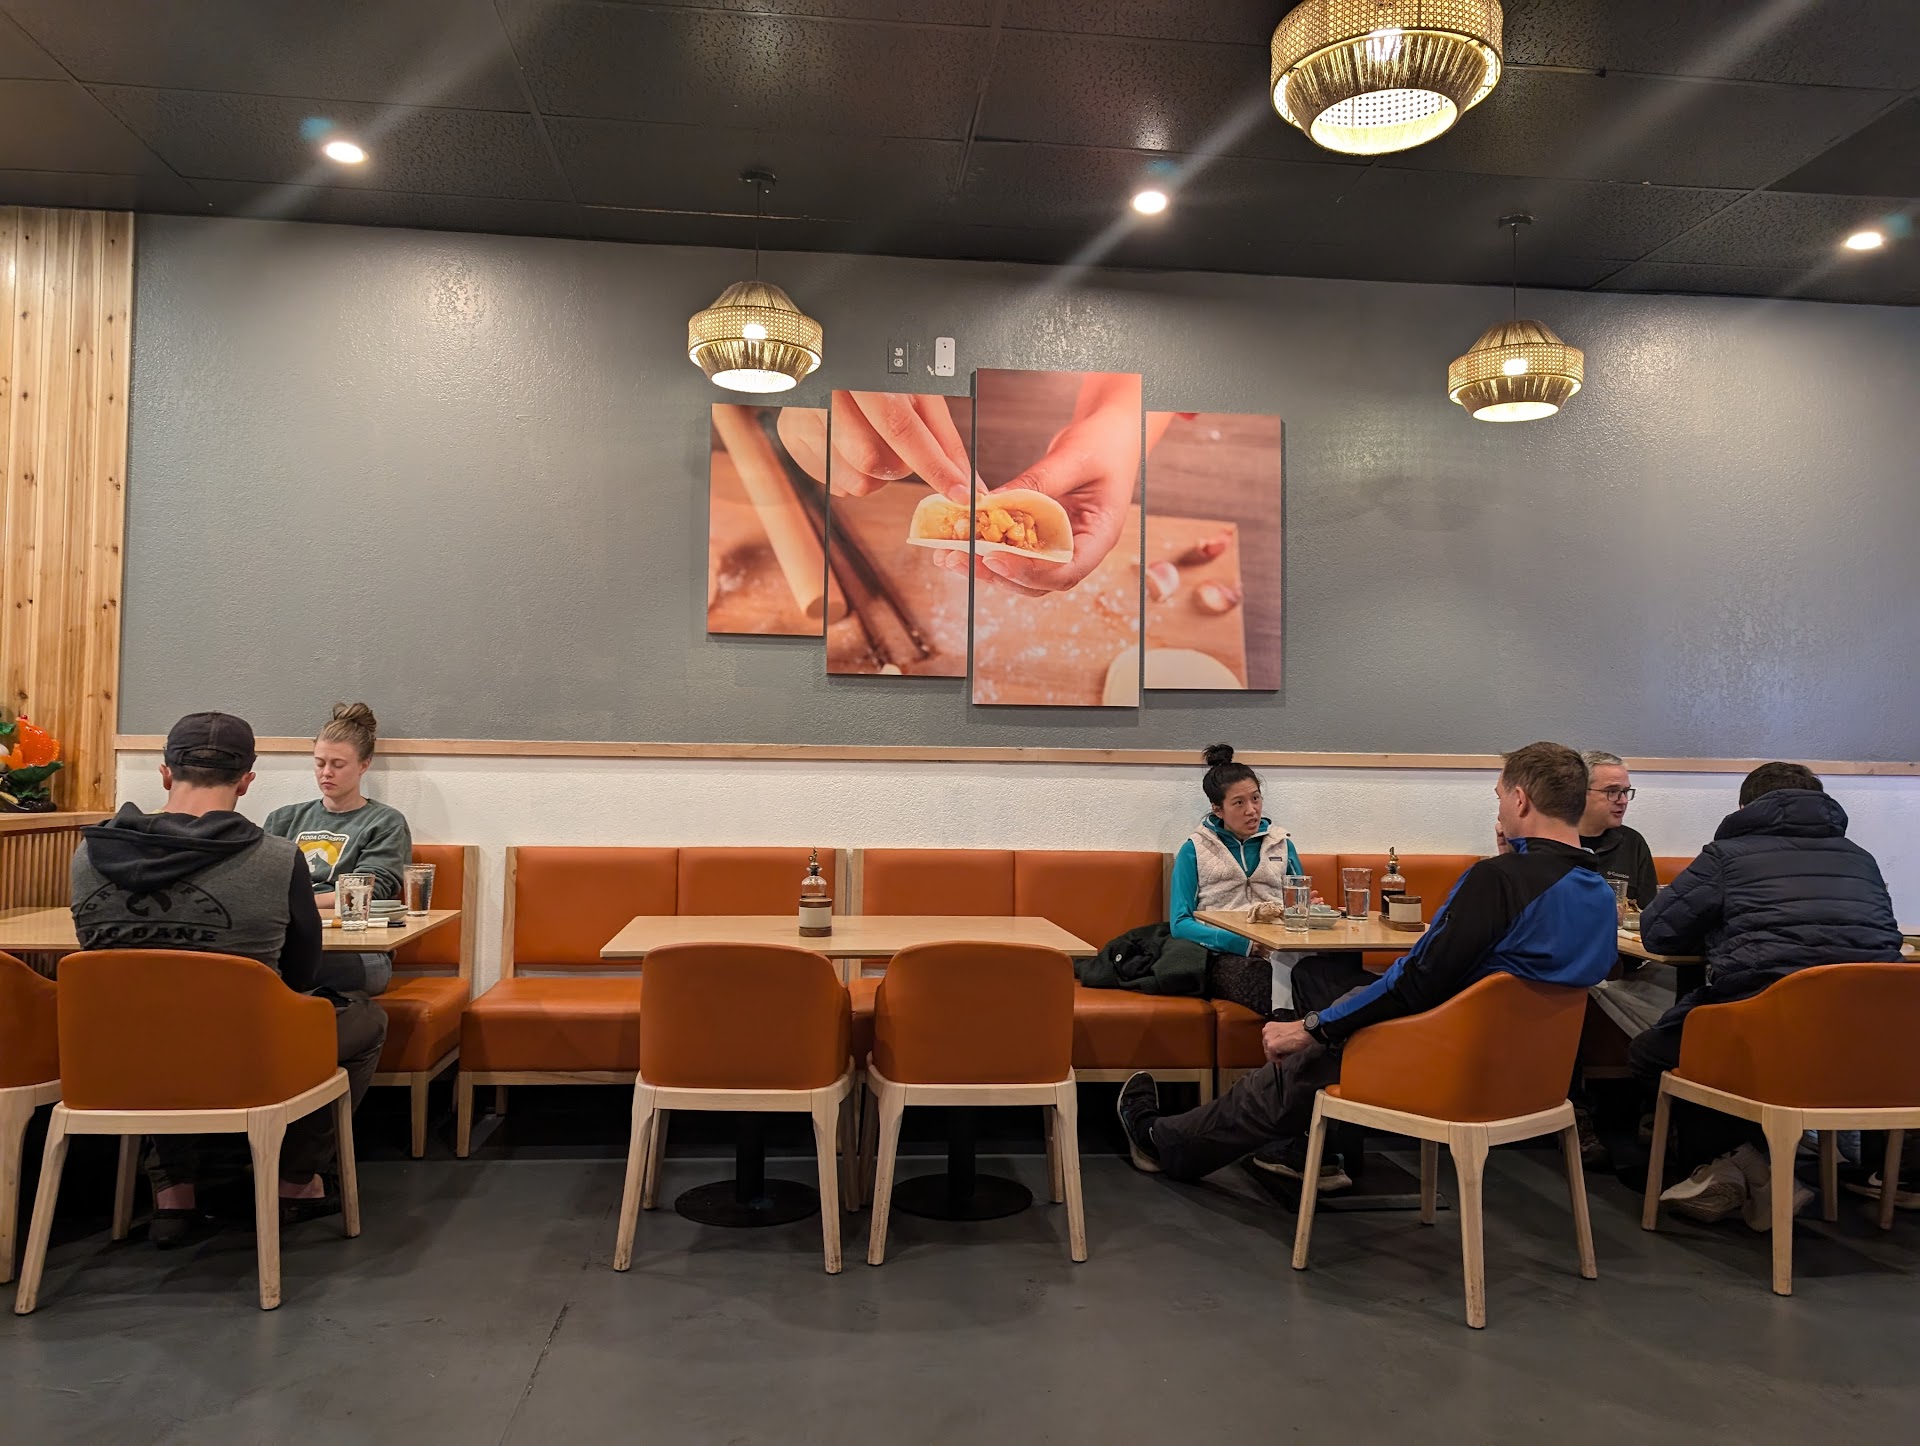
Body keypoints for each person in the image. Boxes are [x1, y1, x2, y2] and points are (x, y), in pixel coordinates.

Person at [1117, 741, 1618, 1186]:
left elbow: (1416, 983)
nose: (1500, 808)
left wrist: (1313, 1028)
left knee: (1316, 1055)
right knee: (1314, 976)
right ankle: (1298, 1148)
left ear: (1520, 800)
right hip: (1532, 1078)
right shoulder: (1600, 895)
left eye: (1500, 796)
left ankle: (1167, 1141)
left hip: (1450, 1061)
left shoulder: (1498, 881)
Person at [69, 711, 387, 1247]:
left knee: (154, 1024)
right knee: (367, 1019)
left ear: (165, 773)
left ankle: (173, 1194)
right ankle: (295, 1181)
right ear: (245, 781)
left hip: (113, 1060)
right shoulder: (277, 860)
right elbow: (299, 974)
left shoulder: (88, 854)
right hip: (248, 1060)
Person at [1631, 761, 1905, 1231]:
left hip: (1770, 1037)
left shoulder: (1726, 855)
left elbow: (1657, 931)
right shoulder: (1861, 858)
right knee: (1711, 1041)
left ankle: (1742, 1167)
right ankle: (1742, 1174)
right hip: (1867, 1051)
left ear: (1745, 807)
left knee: (1656, 1052)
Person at [265, 702, 412, 996]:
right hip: (289, 939)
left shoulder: (384, 822)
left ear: (364, 765)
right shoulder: (283, 819)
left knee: (271, 967)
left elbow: (366, 892)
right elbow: (262, 884)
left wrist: (296, 904)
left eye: (338, 765)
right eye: (319, 763)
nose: (326, 773)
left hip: (356, 950)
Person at [1170, 743, 1309, 1017]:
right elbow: (1180, 923)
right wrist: (1243, 944)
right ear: (1217, 809)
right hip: (1224, 956)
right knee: (1268, 982)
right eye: (1239, 803)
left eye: (1256, 798)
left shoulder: (1282, 844)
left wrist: (1308, 909)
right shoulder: (1194, 849)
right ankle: (1295, 1035)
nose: (1251, 810)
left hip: (1282, 949)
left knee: (1327, 974)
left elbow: (1299, 905)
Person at [1579, 751, 1657, 911]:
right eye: (1612, 791)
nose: (1623, 801)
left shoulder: (1633, 843)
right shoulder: (1553, 841)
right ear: (1580, 793)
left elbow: (1648, 911)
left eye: (1626, 791)